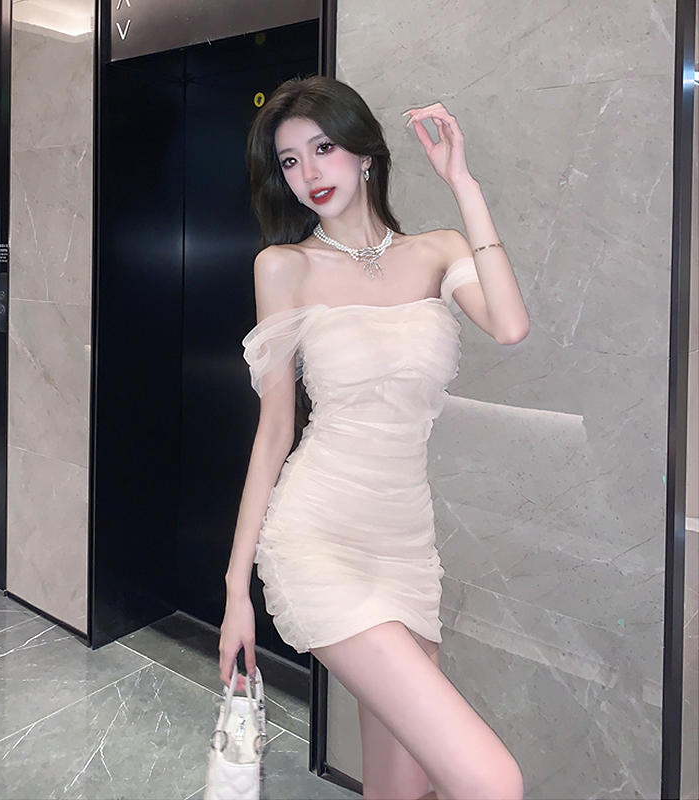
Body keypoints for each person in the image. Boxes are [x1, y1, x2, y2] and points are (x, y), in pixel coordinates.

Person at [218, 76, 529, 800]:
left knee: (400, 786)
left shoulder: (437, 251)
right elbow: (274, 432)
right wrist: (236, 588)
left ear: (365, 153)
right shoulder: (284, 267)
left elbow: (510, 325)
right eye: (290, 160)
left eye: (323, 148)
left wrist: (462, 183)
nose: (308, 173)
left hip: (406, 544)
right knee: (493, 782)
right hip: (318, 538)